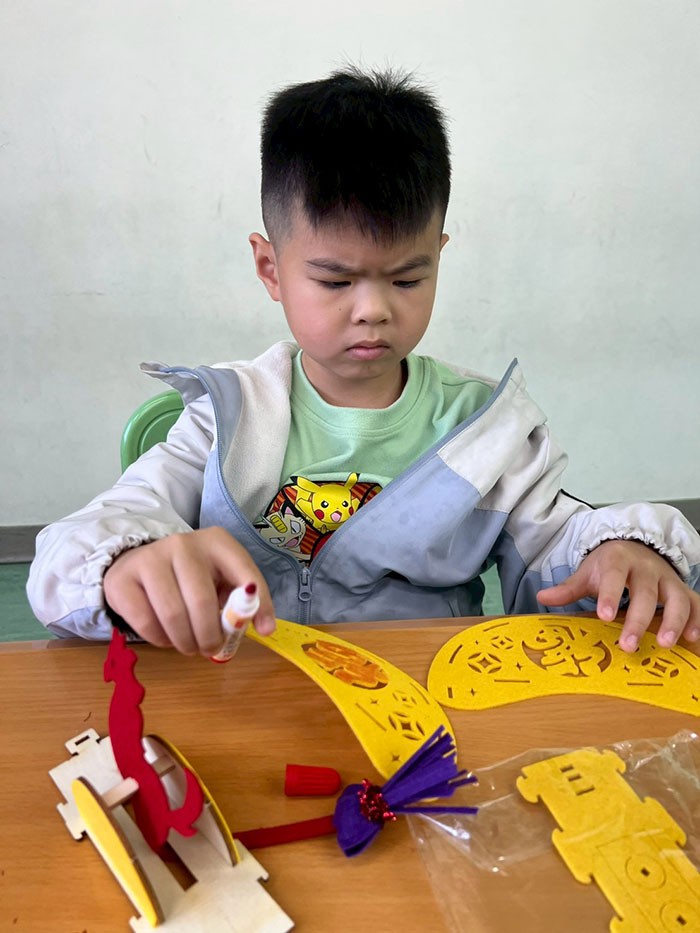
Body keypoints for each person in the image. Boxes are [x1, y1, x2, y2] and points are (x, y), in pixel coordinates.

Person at [27, 67, 700, 658]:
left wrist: (616, 553)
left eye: (408, 278)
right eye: (336, 280)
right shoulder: (226, 419)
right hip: (249, 689)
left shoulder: (485, 431)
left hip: (427, 700)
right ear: (270, 268)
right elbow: (86, 543)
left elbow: (556, 544)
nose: (373, 310)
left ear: (439, 256)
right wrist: (127, 563)